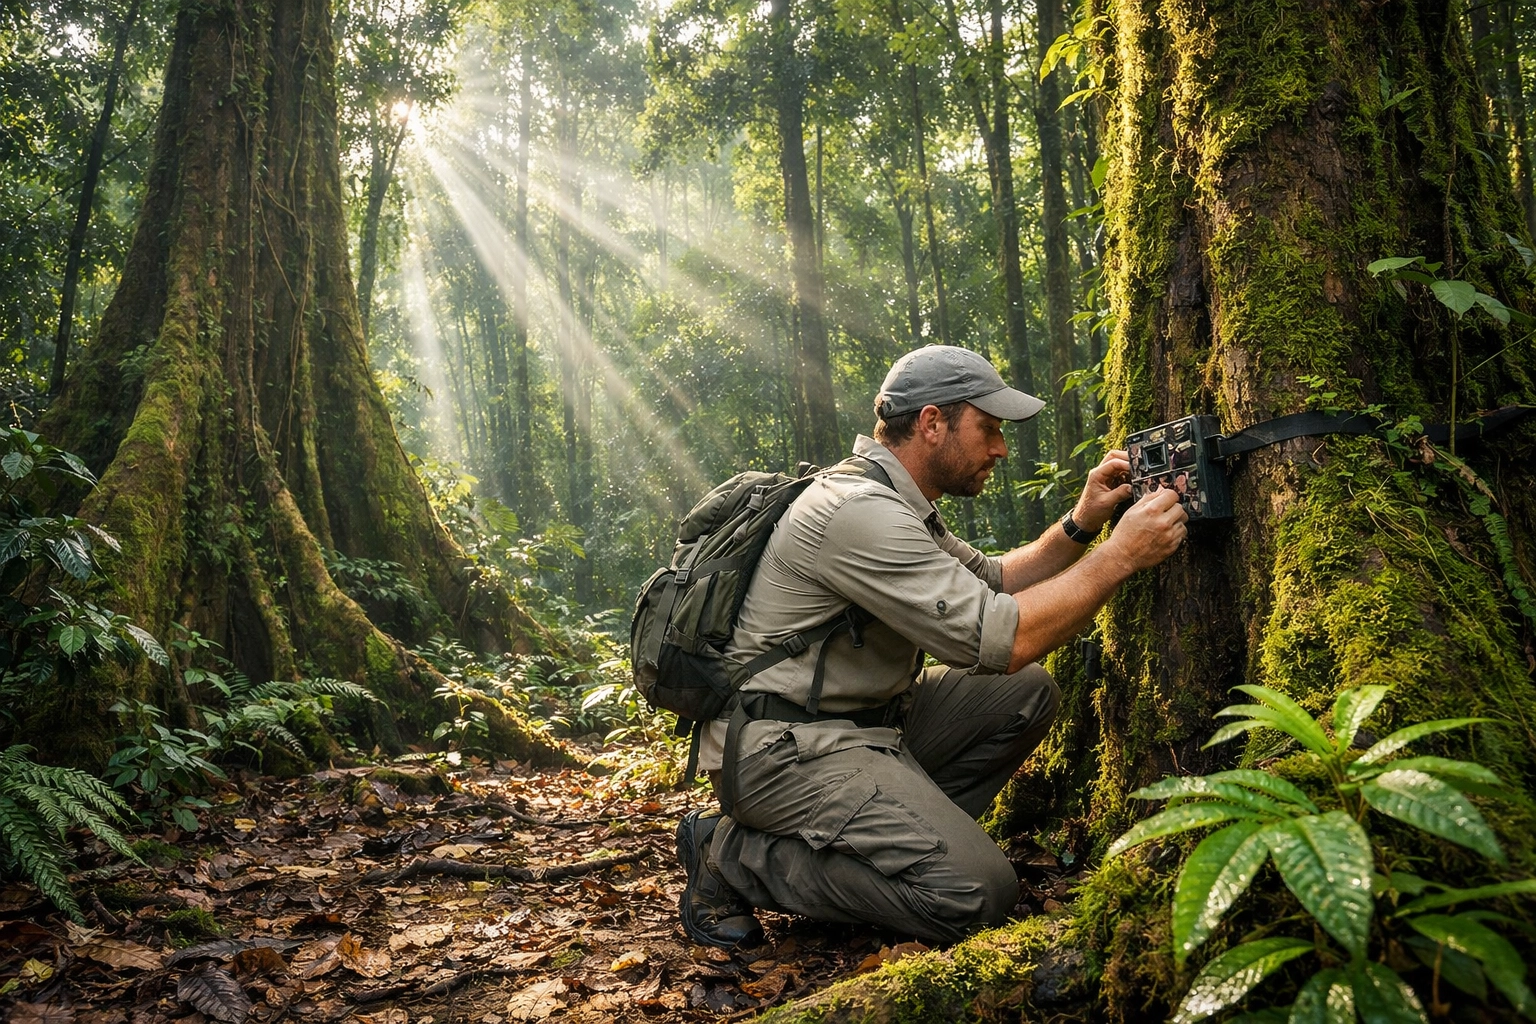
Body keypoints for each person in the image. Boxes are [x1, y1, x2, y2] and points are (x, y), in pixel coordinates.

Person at [674, 345, 1189, 948]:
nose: (999, 448)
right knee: (976, 895)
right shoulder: (857, 512)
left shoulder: (894, 501)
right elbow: (1008, 637)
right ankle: (730, 854)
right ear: (932, 422)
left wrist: (1082, 522)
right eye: (988, 429)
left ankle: (898, 845)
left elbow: (992, 581)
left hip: (862, 730)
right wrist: (1120, 555)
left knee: (1022, 696)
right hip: (784, 751)